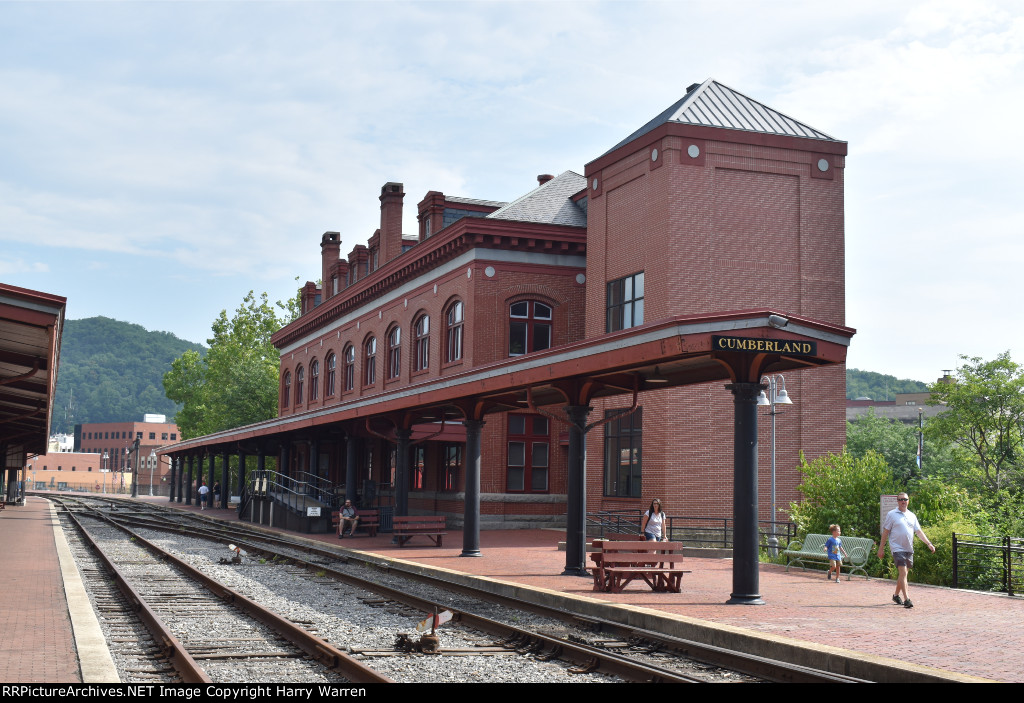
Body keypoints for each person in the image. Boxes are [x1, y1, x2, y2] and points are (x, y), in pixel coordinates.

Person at [877, 492, 935, 608]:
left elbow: (918, 531)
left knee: (903, 575)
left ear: (908, 501)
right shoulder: (892, 514)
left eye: (905, 499)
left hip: (909, 549)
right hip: (897, 548)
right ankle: (907, 599)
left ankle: (896, 595)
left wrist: (928, 543)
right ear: (897, 502)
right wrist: (881, 548)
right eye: (900, 499)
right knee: (903, 573)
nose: (903, 501)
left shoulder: (912, 515)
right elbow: (886, 532)